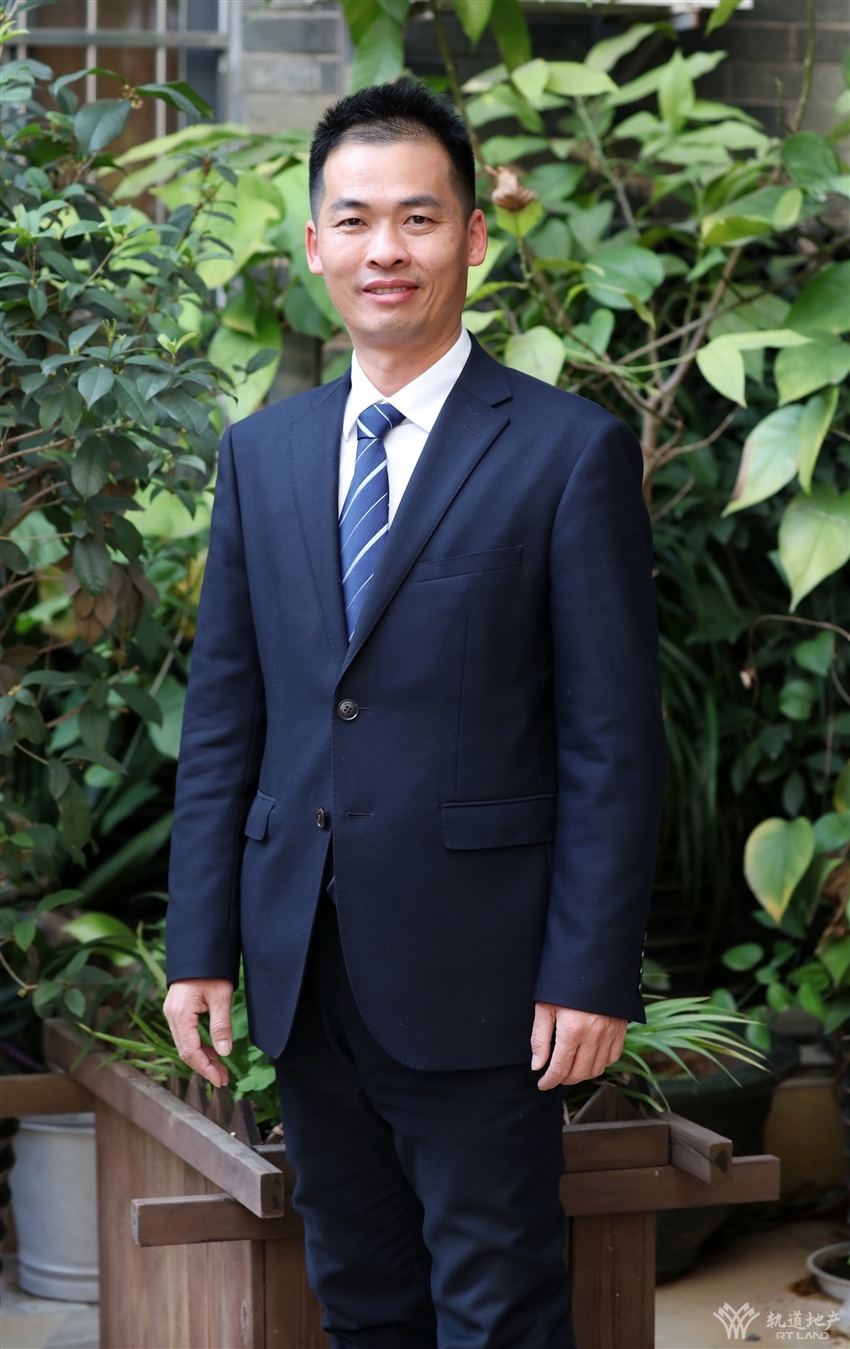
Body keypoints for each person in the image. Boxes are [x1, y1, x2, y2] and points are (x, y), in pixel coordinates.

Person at [164, 79, 667, 1349]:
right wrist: (199, 945)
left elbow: (611, 740)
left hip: (484, 975)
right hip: (303, 966)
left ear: (472, 236)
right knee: (360, 1302)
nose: (383, 249)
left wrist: (590, 968)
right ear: (313, 243)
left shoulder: (565, 451)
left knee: (497, 1310)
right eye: (354, 219)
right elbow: (225, 715)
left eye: (418, 218)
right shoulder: (262, 453)